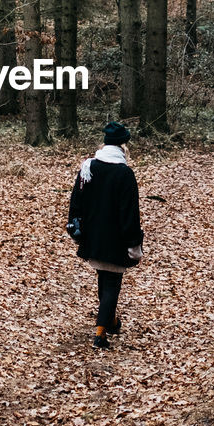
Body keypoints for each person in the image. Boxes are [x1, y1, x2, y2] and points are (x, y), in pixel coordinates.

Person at [68, 121, 143, 349]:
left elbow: (76, 201)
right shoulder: (124, 174)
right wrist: (134, 244)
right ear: (123, 146)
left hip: (93, 236)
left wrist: (75, 230)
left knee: (104, 277)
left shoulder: (89, 167)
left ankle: (110, 319)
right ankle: (101, 332)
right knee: (112, 283)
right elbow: (130, 213)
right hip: (116, 240)